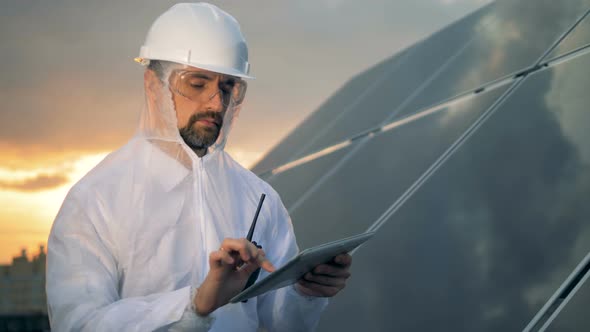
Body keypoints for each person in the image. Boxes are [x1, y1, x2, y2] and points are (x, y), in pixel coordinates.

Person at [46, 3, 352, 331]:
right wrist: (194, 305)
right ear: (154, 85)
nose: (215, 102)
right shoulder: (95, 201)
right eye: (197, 84)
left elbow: (279, 323)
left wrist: (305, 292)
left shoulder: (259, 199)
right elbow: (78, 324)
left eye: (227, 86)